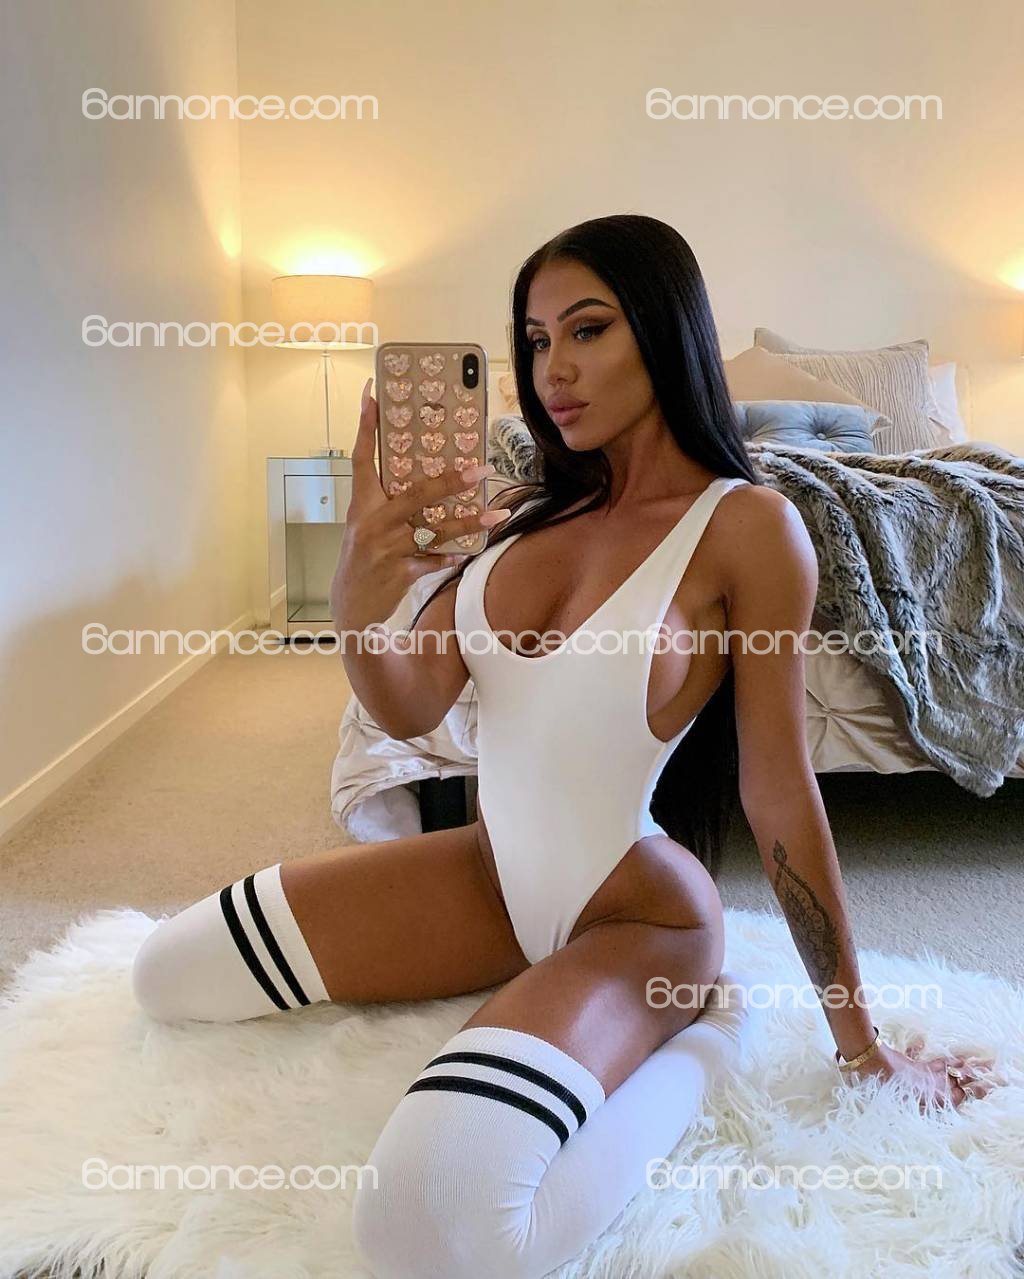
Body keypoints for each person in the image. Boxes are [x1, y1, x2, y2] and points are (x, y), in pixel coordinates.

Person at [131, 214, 991, 1279]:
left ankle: (710, 1032)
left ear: (665, 331)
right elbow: (407, 708)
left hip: (640, 919)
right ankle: (554, 991)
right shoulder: (513, 521)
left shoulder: (747, 526)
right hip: (490, 882)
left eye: (588, 330)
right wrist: (357, 594)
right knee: (166, 974)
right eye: (535, 341)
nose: (554, 371)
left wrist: (859, 1044)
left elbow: (778, 791)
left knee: (429, 1229)